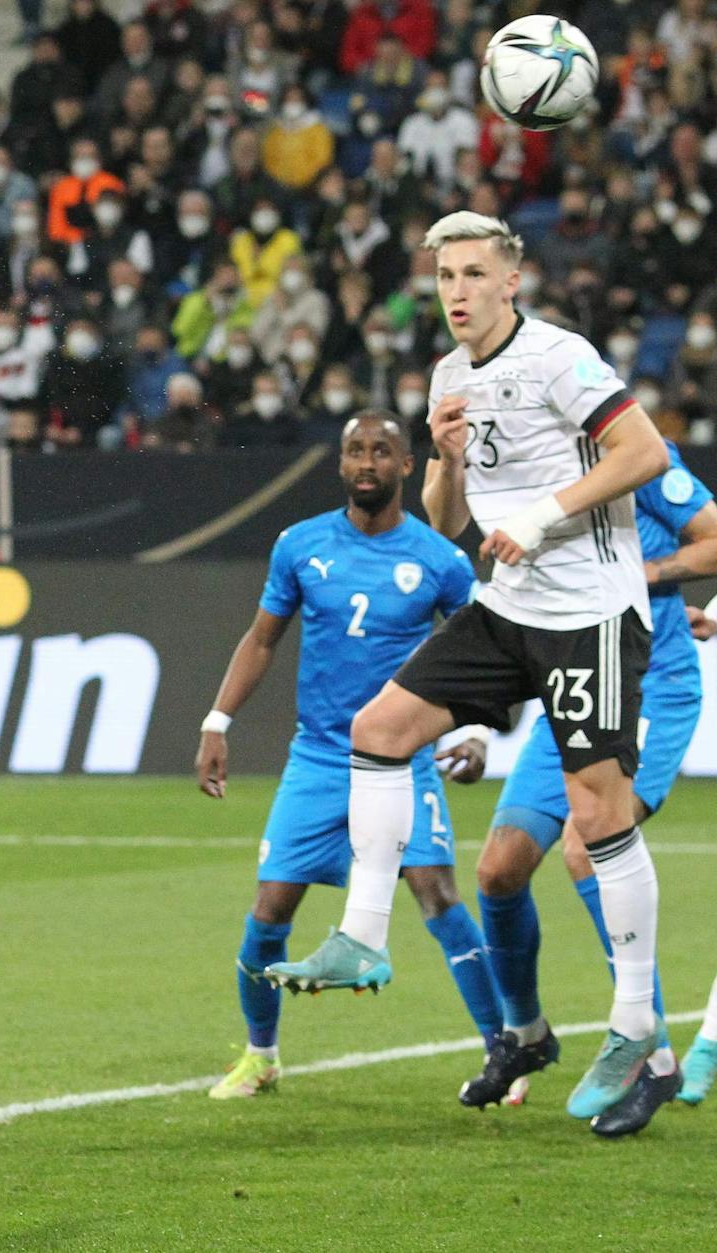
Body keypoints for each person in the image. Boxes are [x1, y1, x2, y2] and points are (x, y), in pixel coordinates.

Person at [266, 211, 672, 1126]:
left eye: (474, 273)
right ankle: (363, 934)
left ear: (511, 282)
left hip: (590, 613)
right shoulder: (450, 375)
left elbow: (644, 452)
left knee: (597, 815)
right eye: (445, 275)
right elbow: (449, 521)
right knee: (379, 728)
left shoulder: (560, 358)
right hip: (510, 607)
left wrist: (540, 515)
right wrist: (446, 458)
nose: (456, 291)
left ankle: (635, 1019)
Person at [196, 412, 502, 1099]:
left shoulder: (440, 560)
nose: (367, 462)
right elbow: (263, 638)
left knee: (438, 894)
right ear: (340, 464)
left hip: (403, 759)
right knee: (269, 910)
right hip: (319, 757)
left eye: (382, 451)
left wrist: (477, 731)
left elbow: (485, 652)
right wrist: (218, 720)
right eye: (356, 451)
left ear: (406, 466)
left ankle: (503, 1050)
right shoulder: (301, 545)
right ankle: (261, 1055)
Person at [474, 443, 717, 1135]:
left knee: (589, 847)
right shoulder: (533, 462)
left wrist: (647, 575)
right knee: (498, 868)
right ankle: (525, 1033)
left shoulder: (641, 458)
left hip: (649, 686)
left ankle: (655, 1061)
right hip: (573, 686)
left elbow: (714, 540)